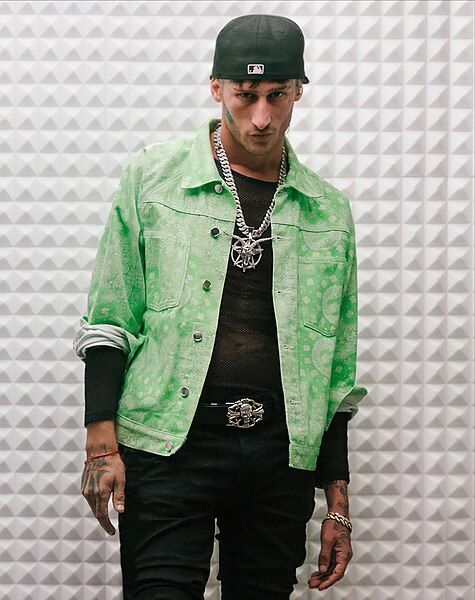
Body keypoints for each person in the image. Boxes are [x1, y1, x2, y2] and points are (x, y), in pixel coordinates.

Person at [74, 13, 368, 599]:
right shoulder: (155, 179)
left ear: (298, 92)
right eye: (245, 94)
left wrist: (337, 502)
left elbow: (336, 368)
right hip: (167, 444)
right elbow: (110, 317)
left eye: (277, 95)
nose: (261, 117)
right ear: (217, 88)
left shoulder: (326, 211)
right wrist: (101, 443)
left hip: (279, 455)